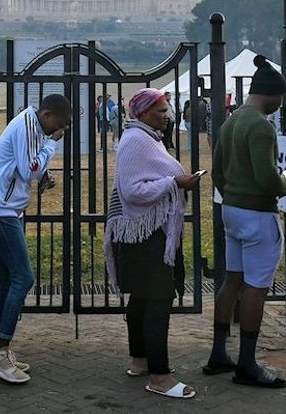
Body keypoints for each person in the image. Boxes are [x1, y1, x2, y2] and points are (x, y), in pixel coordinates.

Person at [104, 88, 200, 400]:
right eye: (160, 110)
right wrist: (175, 182)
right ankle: (160, 375)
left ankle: (140, 360)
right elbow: (132, 191)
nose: (167, 115)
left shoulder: (148, 138)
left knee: (143, 299)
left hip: (149, 232)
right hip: (143, 235)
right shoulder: (135, 141)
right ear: (142, 112)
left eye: (167, 110)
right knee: (158, 299)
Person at [206, 55, 286, 388]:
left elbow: (217, 171)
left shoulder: (230, 122)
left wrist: (231, 196)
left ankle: (218, 354)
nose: (280, 104)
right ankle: (247, 363)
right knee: (256, 288)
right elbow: (268, 181)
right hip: (258, 215)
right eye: (281, 97)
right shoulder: (260, 126)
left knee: (232, 281)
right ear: (271, 94)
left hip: (232, 210)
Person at [0, 94, 71, 384]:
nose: (62, 129)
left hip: (5, 209)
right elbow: (29, 169)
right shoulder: (30, 127)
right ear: (46, 114)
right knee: (24, 277)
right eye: (61, 124)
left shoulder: (31, 124)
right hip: (0, 210)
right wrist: (52, 144)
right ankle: (0, 350)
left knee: (7, 280)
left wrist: (47, 145)